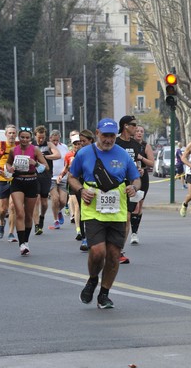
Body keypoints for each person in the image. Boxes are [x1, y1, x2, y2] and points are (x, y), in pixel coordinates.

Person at [70, 118, 141, 309]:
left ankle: (104, 294)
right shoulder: (84, 153)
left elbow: (136, 178)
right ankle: (93, 279)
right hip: (93, 208)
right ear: (97, 133)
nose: (108, 140)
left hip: (117, 210)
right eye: (105, 135)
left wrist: (134, 188)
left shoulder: (123, 155)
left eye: (111, 136)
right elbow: (72, 177)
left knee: (113, 254)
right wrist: (79, 191)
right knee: (97, 251)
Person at [5, 127, 49, 256]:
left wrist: (34, 163)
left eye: (27, 138)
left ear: (30, 139)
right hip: (17, 181)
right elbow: (8, 164)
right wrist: (10, 168)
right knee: (19, 212)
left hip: (31, 181)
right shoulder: (13, 150)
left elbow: (45, 167)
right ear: (19, 138)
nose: (24, 140)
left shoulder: (34, 150)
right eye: (22, 137)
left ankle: (26, 241)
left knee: (29, 215)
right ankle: (21, 244)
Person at [115, 115, 144, 262]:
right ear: (125, 126)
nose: (135, 128)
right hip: (116, 184)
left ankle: (119, 250)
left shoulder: (135, 144)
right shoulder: (116, 142)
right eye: (133, 125)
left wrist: (140, 170)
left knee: (127, 218)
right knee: (117, 218)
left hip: (131, 185)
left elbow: (137, 163)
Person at [0, 125, 17, 241]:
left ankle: (11, 233)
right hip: (2, 180)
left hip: (15, 179)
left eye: (13, 133)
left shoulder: (19, 146)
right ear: (6, 134)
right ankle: (1, 222)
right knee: (2, 209)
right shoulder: (0, 145)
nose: (11, 135)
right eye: (9, 133)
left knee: (13, 206)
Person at [32, 126, 60, 235]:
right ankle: (36, 225)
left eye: (43, 137)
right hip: (34, 175)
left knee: (44, 202)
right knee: (36, 200)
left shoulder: (49, 145)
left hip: (46, 175)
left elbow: (58, 155)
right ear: (35, 136)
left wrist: (44, 157)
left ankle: (42, 216)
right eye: (39, 137)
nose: (40, 140)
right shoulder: (31, 145)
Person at [131, 125, 155, 245]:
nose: (139, 133)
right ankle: (128, 227)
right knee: (131, 206)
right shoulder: (129, 145)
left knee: (138, 205)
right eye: (137, 131)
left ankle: (134, 233)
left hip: (142, 176)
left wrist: (141, 158)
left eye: (141, 131)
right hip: (130, 176)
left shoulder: (145, 146)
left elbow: (152, 163)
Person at [58, 134, 83, 240]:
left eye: (79, 143)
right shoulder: (69, 155)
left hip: (84, 181)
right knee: (77, 206)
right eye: (75, 144)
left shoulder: (85, 154)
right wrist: (61, 176)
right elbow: (66, 168)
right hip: (73, 181)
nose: (77, 145)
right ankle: (78, 230)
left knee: (83, 207)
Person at [48, 129, 69, 230]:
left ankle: (59, 211)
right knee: (55, 199)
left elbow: (67, 161)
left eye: (57, 140)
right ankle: (55, 220)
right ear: (50, 138)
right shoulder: (47, 148)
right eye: (53, 140)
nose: (55, 142)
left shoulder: (64, 147)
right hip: (51, 177)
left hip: (63, 177)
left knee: (63, 201)